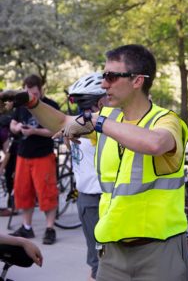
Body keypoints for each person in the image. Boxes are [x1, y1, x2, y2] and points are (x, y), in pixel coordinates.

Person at [0, 44, 188, 281]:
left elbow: (155, 144)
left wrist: (96, 122)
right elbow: (61, 123)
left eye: (111, 77)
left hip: (159, 252)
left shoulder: (165, 120)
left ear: (137, 81)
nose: (103, 84)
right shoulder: (109, 117)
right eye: (103, 76)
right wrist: (30, 101)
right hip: (112, 253)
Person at [9, 74, 59, 245]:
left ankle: (50, 228)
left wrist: (34, 131)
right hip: (23, 155)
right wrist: (16, 127)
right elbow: (13, 123)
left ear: (41, 90)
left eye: (35, 94)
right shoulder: (21, 104)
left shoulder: (51, 105)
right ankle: (27, 227)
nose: (31, 97)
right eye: (28, 93)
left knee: (47, 193)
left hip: (43, 155)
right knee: (23, 193)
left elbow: (56, 129)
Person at [67, 72, 107, 281]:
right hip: (87, 199)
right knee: (96, 259)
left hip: (100, 199)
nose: (82, 114)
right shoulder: (76, 125)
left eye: (86, 107)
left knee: (102, 262)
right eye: (78, 107)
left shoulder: (104, 128)